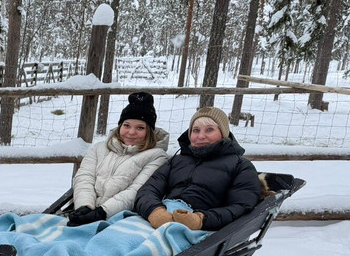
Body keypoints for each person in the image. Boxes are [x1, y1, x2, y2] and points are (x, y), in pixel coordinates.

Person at [134, 106, 262, 232]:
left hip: (201, 228)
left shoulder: (240, 166)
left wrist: (201, 220)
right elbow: (148, 190)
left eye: (209, 130)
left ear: (223, 133)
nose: (201, 136)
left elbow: (241, 207)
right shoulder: (177, 161)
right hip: (163, 215)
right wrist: (155, 211)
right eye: (196, 130)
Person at [67, 91, 169, 226]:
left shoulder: (157, 156)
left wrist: (102, 212)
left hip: (122, 217)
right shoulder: (99, 148)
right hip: (87, 211)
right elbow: (84, 178)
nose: (131, 132)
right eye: (127, 125)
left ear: (148, 131)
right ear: (120, 126)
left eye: (140, 127)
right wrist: (84, 206)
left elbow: (136, 191)